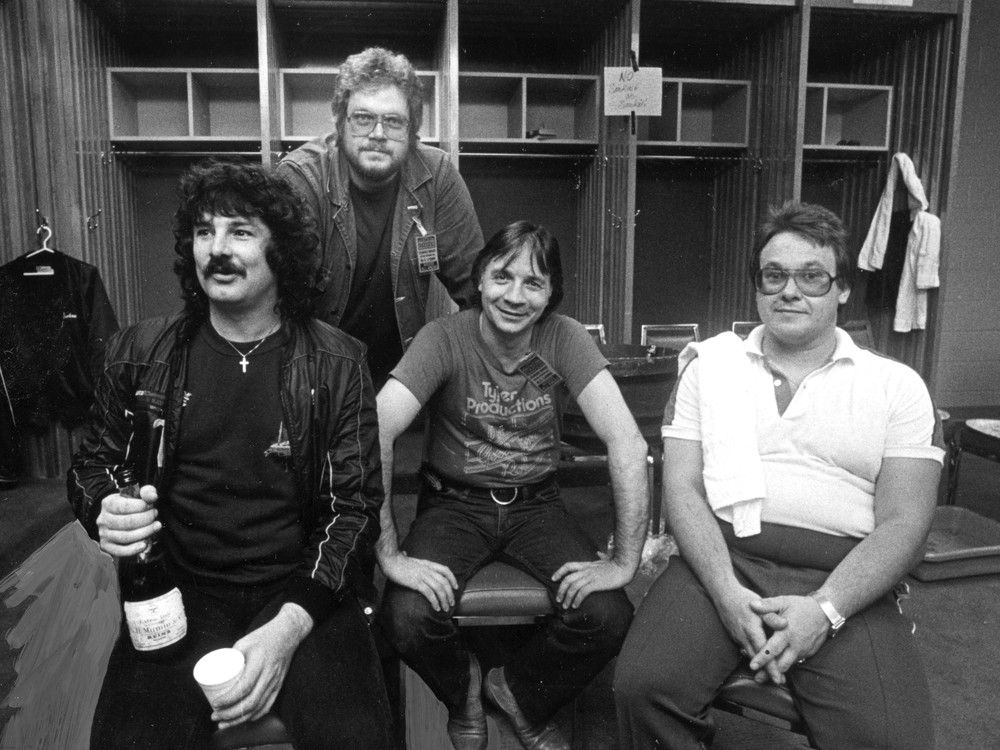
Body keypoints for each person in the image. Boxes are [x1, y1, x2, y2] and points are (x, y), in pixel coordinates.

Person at [67, 159, 392, 750]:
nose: (216, 249)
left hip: (305, 589)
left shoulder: (339, 362)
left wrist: (289, 627)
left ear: (281, 251)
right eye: (203, 231)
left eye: (240, 231)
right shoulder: (137, 352)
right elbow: (92, 464)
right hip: (179, 588)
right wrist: (103, 508)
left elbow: (356, 509)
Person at [614, 201, 945, 750]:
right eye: (775, 275)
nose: (790, 290)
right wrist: (724, 592)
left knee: (892, 738)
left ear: (841, 289)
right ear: (758, 287)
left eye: (812, 276)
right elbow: (683, 492)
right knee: (644, 688)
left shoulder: (898, 386)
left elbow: (906, 524)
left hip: (843, 571)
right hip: (721, 559)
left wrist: (826, 608)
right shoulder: (710, 369)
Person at [376, 221, 649, 750]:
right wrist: (390, 554)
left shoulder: (563, 338)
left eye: (534, 283)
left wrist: (624, 561)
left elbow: (628, 444)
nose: (515, 296)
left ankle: (518, 692)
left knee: (609, 615)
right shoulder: (444, 337)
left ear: (551, 295)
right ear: (479, 279)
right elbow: (378, 430)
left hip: (536, 506)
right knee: (405, 616)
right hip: (455, 505)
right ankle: (464, 692)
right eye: (503, 277)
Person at [277, 45, 484, 389]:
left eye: (393, 121)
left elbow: (478, 289)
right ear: (340, 122)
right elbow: (276, 305)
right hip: (317, 381)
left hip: (404, 380)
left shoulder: (438, 176)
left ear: (412, 130)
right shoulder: (302, 178)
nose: (377, 133)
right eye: (362, 118)